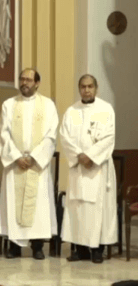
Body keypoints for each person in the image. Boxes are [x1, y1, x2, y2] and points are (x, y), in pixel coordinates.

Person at [0, 69, 59, 260]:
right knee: (13, 204)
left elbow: (51, 135)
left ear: (37, 83)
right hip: (16, 164)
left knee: (39, 206)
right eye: (22, 79)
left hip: (36, 165)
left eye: (29, 80)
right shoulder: (9, 104)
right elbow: (3, 133)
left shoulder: (48, 105)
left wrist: (34, 157)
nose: (25, 83)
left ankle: (37, 246)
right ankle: (14, 247)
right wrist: (16, 156)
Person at [60, 74, 117, 264]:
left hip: (97, 169)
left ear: (96, 88)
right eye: (83, 87)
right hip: (78, 169)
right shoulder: (71, 111)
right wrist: (79, 156)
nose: (86, 90)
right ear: (79, 89)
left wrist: (91, 156)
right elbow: (65, 137)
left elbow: (109, 136)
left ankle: (97, 250)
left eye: (90, 86)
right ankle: (81, 249)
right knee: (78, 209)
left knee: (96, 210)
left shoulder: (106, 109)